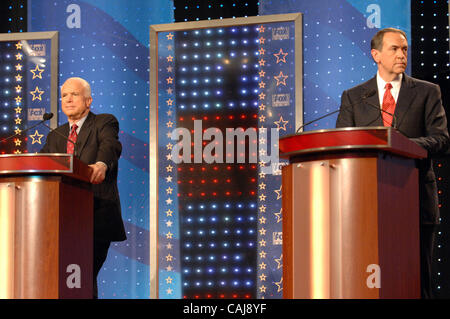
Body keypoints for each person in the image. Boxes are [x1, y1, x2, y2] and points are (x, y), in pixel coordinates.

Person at [336, 28, 449, 298]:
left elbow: (441, 140)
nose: (402, 55)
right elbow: (342, 146)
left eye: (405, 49)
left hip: (415, 200)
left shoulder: (426, 92)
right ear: (376, 55)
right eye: (394, 49)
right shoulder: (354, 97)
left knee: (416, 283)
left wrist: (403, 145)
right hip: (364, 205)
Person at [40, 77, 126, 298]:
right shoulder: (55, 136)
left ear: (88, 101)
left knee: (82, 274)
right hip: (61, 220)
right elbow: (40, 165)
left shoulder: (104, 123)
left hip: (95, 215)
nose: (68, 99)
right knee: (66, 278)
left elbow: (110, 145)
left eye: (74, 95)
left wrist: (101, 164)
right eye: (64, 96)